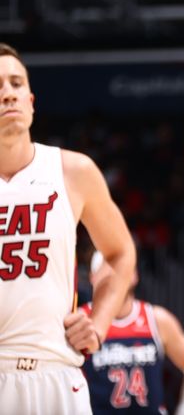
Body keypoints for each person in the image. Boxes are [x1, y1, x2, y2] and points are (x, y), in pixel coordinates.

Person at [0, 42, 137, 414]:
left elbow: (121, 252)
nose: (8, 93)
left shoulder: (73, 171)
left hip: (55, 372)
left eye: (15, 83)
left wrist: (100, 323)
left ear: (30, 99)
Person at [81, 251, 184, 414]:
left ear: (134, 274)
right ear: (93, 277)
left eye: (119, 267)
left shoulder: (156, 319)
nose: (113, 274)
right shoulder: (82, 321)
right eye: (105, 268)